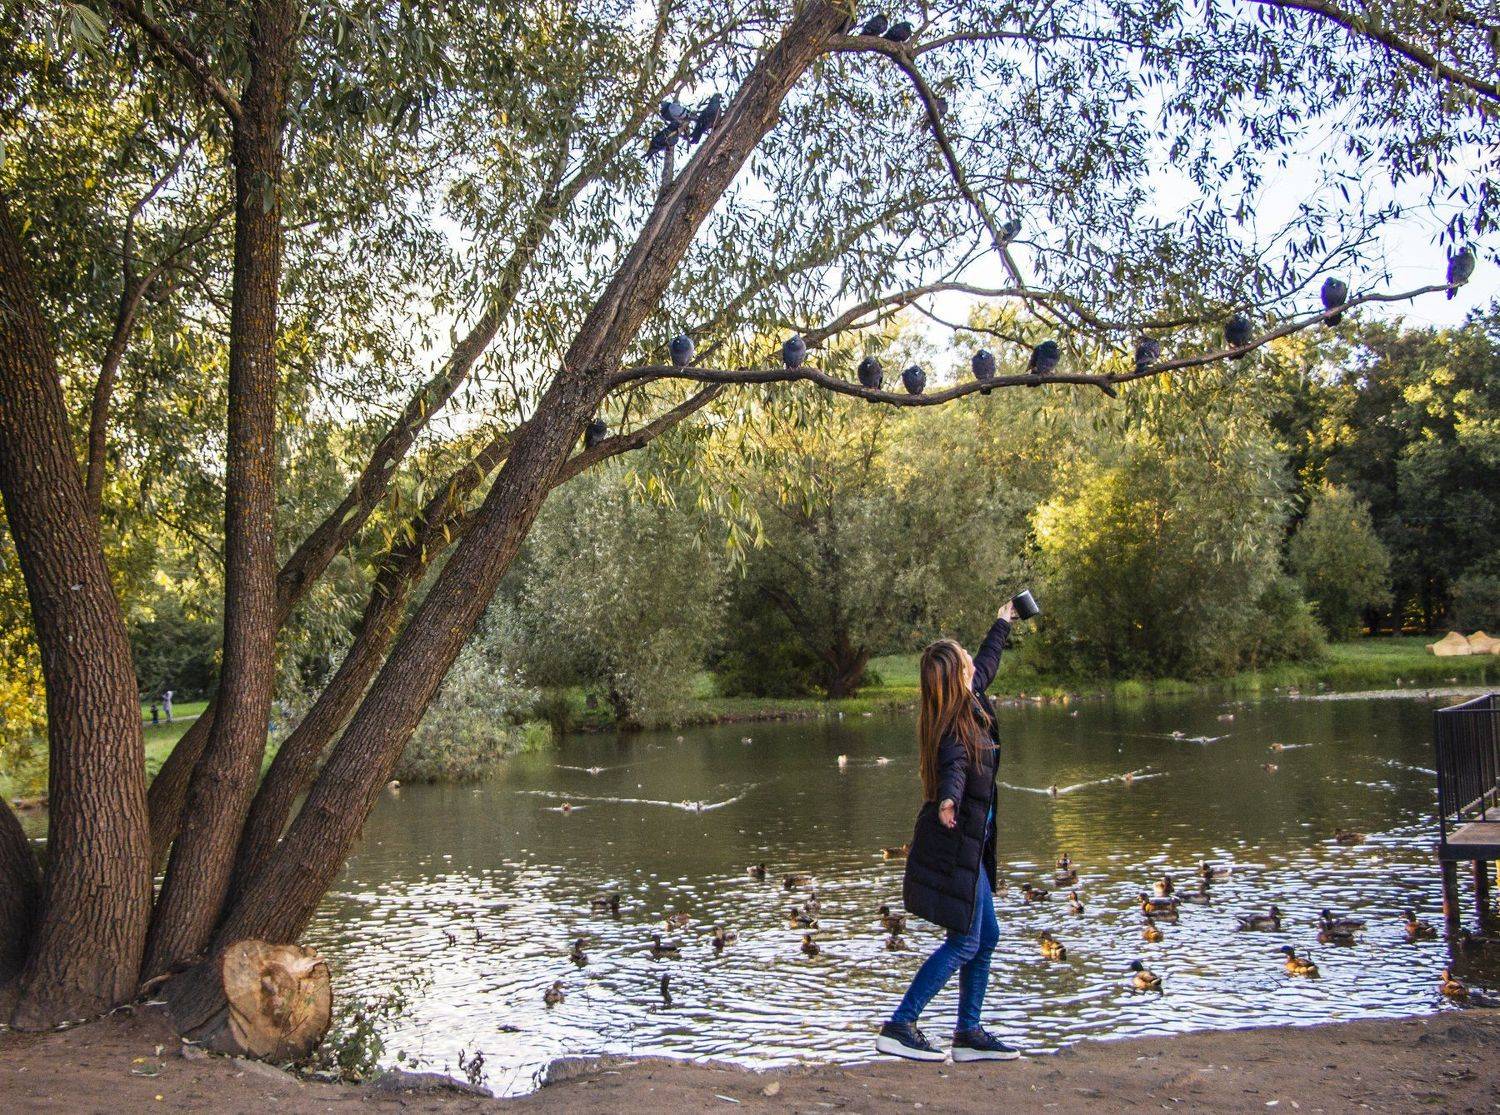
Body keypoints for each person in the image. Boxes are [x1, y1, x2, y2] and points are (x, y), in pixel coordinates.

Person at [876, 601, 1023, 1063]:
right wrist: (948, 801)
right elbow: (954, 769)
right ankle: (900, 1025)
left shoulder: (970, 699)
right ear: (956, 677)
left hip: (972, 847)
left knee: (986, 935)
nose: (971, 661)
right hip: (957, 844)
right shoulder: (955, 730)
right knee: (966, 940)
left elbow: (988, 662)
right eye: (964, 659)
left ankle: (968, 1033)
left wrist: (1003, 620)